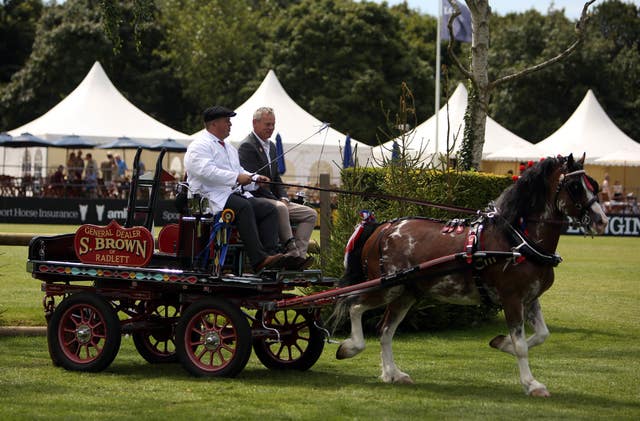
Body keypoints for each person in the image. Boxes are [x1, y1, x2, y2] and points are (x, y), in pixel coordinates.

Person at [184, 105, 284, 272]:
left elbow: (239, 171)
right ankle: (258, 259)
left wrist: (255, 179)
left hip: (229, 195)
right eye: (227, 121)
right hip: (209, 197)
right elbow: (205, 171)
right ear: (214, 124)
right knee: (243, 207)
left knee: (268, 208)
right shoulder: (199, 146)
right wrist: (236, 178)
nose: (230, 124)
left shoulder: (229, 147)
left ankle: (271, 256)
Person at [238, 107, 317, 270]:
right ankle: (291, 252)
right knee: (281, 208)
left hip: (276, 200)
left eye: (273, 125)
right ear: (255, 123)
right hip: (257, 198)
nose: (271, 128)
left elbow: (276, 178)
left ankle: (299, 258)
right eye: (267, 124)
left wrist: (284, 197)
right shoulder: (247, 147)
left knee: (310, 214)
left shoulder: (272, 147)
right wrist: (278, 201)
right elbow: (254, 183)